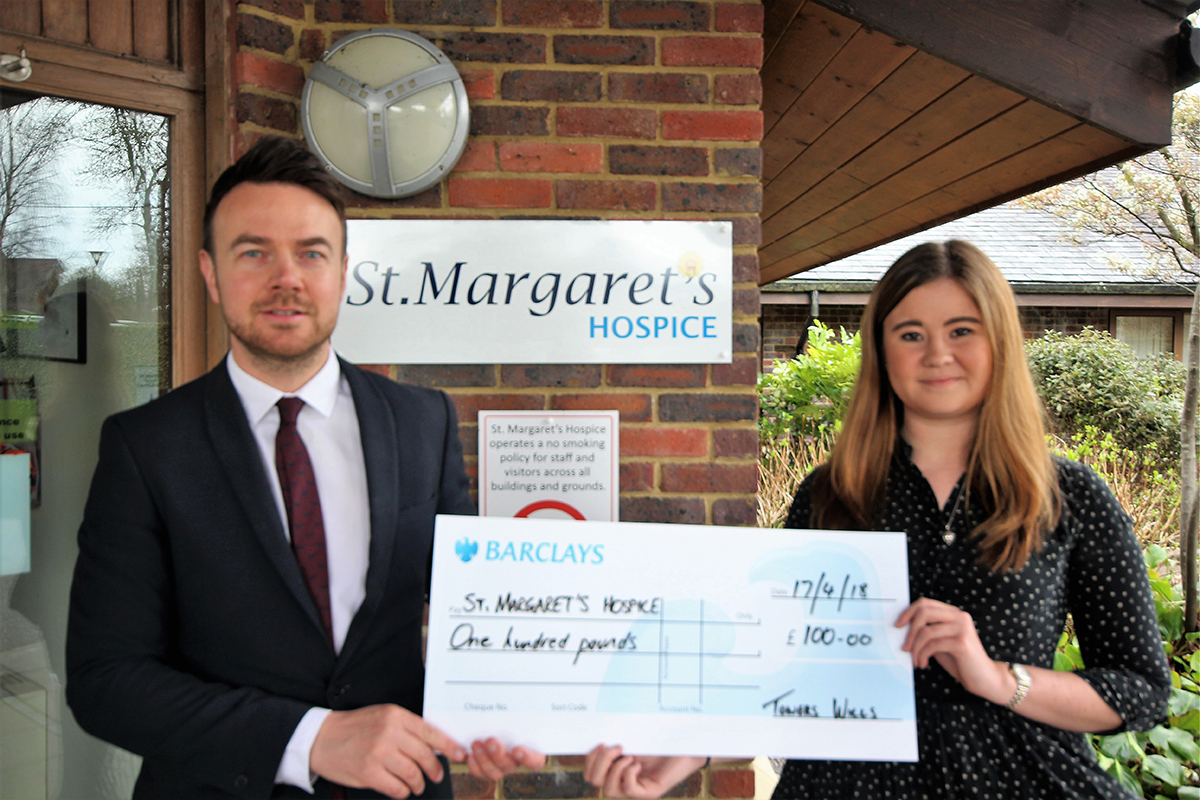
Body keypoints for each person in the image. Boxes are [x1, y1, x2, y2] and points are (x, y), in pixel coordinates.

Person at [583, 241, 1171, 799]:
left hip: (1018, 779)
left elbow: (1139, 691)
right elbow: (777, 670)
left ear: (1000, 342)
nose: (937, 354)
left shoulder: (1069, 497)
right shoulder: (830, 497)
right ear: (882, 351)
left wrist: (995, 678)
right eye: (911, 334)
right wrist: (680, 756)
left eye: (962, 331)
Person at [66, 136, 544, 799]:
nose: (285, 278)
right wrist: (309, 738)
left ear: (343, 272)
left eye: (311, 253)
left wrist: (491, 712)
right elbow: (105, 680)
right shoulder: (144, 447)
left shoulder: (423, 422)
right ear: (210, 273)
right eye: (253, 252)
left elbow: (474, 607)